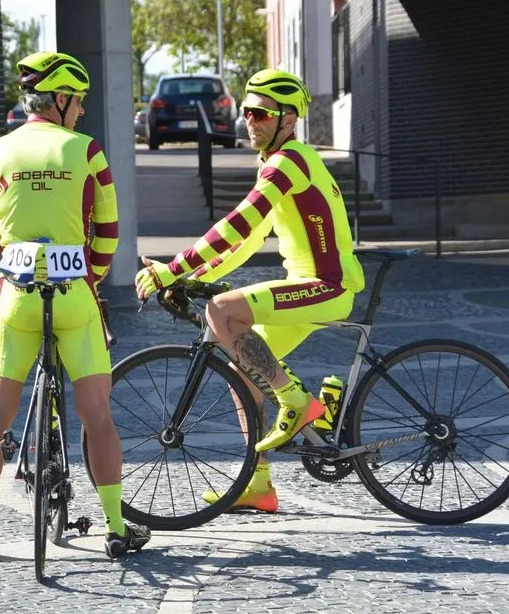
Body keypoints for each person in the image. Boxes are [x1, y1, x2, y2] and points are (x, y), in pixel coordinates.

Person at [134, 69, 365, 513]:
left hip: (326, 286)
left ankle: (296, 401)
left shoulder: (290, 161)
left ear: (288, 120)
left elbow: (239, 222)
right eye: (247, 112)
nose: (249, 121)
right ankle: (257, 485)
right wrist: (189, 276)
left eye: (261, 114)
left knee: (222, 311)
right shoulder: (274, 163)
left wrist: (174, 267)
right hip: (305, 285)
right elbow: (249, 240)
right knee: (243, 370)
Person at [0, 51, 150, 561]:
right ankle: (115, 528)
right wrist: (89, 277)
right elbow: (108, 234)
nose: (81, 110)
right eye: (77, 100)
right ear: (59, 99)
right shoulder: (87, 151)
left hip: (17, 295)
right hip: (74, 295)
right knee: (97, 415)